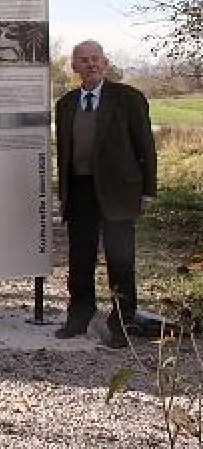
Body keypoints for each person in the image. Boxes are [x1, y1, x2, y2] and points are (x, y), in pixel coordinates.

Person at [54, 40, 156, 347]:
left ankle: (122, 323)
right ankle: (79, 315)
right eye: (83, 60)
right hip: (81, 191)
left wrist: (149, 189)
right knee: (80, 258)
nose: (90, 64)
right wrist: (64, 194)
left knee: (120, 260)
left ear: (106, 63)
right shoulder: (66, 104)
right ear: (74, 67)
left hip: (119, 194)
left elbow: (145, 147)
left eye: (95, 59)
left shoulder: (128, 98)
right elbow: (66, 154)